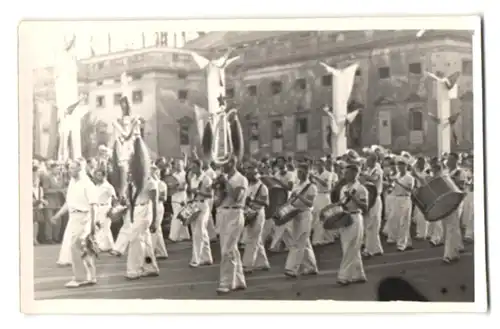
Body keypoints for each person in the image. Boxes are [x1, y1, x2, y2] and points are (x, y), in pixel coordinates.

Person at [49, 159, 98, 288]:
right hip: (73, 216)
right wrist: (57, 215)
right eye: (69, 168)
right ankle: (91, 276)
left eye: (72, 168)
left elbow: (93, 206)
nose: (69, 170)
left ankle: (80, 278)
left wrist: (92, 225)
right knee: (83, 248)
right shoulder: (72, 183)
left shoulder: (88, 184)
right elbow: (68, 203)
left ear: (79, 169)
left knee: (75, 247)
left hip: (84, 217)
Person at [216, 156, 248, 294]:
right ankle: (239, 280)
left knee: (227, 250)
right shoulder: (224, 178)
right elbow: (218, 201)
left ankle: (226, 283)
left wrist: (226, 183)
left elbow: (237, 197)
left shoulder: (241, 179)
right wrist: (218, 187)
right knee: (231, 248)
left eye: (224, 163)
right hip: (223, 213)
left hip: (235, 213)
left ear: (232, 163)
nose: (221, 166)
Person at [284, 162, 319, 278]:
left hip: (305, 214)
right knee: (305, 241)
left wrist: (299, 196)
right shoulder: (296, 185)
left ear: (308, 173)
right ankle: (311, 267)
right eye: (298, 172)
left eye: (302, 172)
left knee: (298, 241)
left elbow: (310, 203)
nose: (300, 174)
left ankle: (291, 268)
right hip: (295, 214)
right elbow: (292, 200)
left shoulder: (311, 187)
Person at [336, 164, 368, 286]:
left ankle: (344, 276)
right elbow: (341, 203)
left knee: (350, 246)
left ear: (355, 173)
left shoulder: (361, 189)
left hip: (355, 217)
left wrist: (353, 198)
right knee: (348, 246)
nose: (345, 175)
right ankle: (358, 274)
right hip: (345, 216)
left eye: (347, 173)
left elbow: (365, 207)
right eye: (345, 172)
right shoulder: (343, 188)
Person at [242, 163, 270, 273]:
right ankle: (263, 263)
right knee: (255, 238)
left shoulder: (262, 187)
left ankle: (248, 264)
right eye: (247, 173)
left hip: (258, 213)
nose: (248, 175)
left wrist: (252, 201)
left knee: (251, 239)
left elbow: (266, 202)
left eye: (251, 173)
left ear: (256, 173)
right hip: (249, 212)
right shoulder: (248, 186)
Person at [187, 159, 214, 267]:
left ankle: (196, 259)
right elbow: (190, 193)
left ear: (199, 167)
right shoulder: (193, 178)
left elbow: (210, 195)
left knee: (199, 231)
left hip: (203, 205)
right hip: (194, 205)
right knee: (199, 232)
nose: (192, 169)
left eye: (194, 167)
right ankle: (207, 257)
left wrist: (198, 192)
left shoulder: (206, 179)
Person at [442, 152, 466, 263]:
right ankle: (457, 249)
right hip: (446, 201)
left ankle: (449, 254)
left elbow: (461, 187)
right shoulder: (446, 172)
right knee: (451, 226)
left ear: (456, 160)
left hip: (456, 201)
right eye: (448, 159)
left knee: (452, 226)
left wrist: (451, 182)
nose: (449, 161)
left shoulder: (460, 172)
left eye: (451, 159)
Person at [360, 152, 384, 257]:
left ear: (373, 161)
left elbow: (374, 179)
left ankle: (370, 250)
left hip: (375, 198)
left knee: (372, 223)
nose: (366, 162)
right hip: (369, 198)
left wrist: (363, 175)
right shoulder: (369, 170)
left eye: (368, 160)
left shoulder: (377, 170)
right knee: (369, 223)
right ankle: (376, 248)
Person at [311, 158, 336, 246]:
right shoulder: (316, 174)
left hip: (325, 195)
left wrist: (315, 178)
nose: (318, 166)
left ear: (323, 165)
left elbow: (325, 184)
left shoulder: (328, 174)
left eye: (319, 164)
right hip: (318, 195)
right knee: (317, 216)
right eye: (316, 165)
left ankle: (328, 237)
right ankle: (319, 238)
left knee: (325, 215)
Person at [393, 157, 415, 252]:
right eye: (399, 165)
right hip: (397, 198)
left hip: (405, 198)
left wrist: (399, 183)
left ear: (406, 166)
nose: (400, 167)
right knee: (398, 220)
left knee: (404, 221)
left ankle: (401, 244)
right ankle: (408, 242)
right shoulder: (397, 175)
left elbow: (410, 189)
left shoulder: (409, 177)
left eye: (402, 165)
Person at [93, 168, 116, 252]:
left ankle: (111, 246)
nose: (97, 177)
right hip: (97, 208)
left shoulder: (108, 187)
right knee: (99, 227)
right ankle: (106, 246)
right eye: (96, 175)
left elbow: (114, 199)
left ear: (104, 176)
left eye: (99, 175)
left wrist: (112, 209)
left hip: (106, 207)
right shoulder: (96, 186)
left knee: (105, 227)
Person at [168, 159, 190, 242]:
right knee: (180, 216)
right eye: (176, 164)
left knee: (177, 216)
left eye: (179, 164)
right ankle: (185, 235)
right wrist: (172, 187)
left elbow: (183, 187)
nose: (177, 166)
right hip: (174, 197)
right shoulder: (173, 175)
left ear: (182, 165)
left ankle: (173, 237)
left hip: (182, 198)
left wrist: (174, 187)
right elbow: (169, 185)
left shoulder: (185, 175)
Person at [151, 163, 168, 260]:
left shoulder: (161, 184)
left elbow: (164, 198)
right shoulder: (149, 182)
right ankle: (162, 251)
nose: (153, 172)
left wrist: (154, 196)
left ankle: (151, 251)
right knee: (158, 229)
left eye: (155, 171)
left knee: (154, 228)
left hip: (158, 206)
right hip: (151, 206)